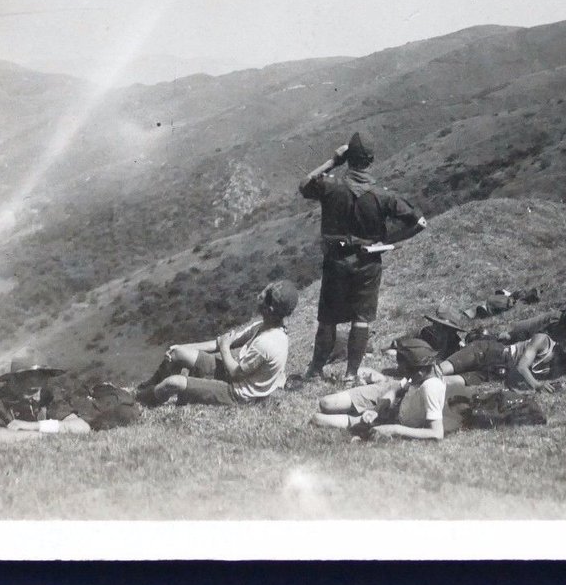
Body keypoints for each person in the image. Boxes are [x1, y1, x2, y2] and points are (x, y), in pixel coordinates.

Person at [298, 131, 427, 383]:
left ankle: (315, 371)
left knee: (327, 319)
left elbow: (304, 185)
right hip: (368, 262)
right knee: (361, 319)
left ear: (348, 158)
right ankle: (351, 374)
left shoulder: (330, 186)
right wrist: (388, 241)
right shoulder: (383, 195)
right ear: (371, 160)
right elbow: (419, 222)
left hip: (336, 262)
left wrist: (333, 161)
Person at [137, 280, 298, 407]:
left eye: (265, 295)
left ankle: (142, 401)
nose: (260, 295)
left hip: (238, 393)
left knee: (174, 382)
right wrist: (182, 348)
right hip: (234, 377)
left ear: (269, 310)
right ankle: (151, 387)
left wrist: (224, 347)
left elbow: (235, 371)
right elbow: (221, 342)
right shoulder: (264, 326)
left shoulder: (267, 343)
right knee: (177, 354)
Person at [0, 352, 139, 444]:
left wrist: (31, 426)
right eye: (25, 380)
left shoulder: (47, 397)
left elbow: (81, 428)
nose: (33, 387)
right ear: (11, 382)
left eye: (39, 380)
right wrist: (52, 434)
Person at [311, 337, 450, 440]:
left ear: (419, 372)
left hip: (398, 421)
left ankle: (357, 422)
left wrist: (395, 429)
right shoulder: (425, 372)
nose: (405, 376)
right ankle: (361, 418)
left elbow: (437, 434)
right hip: (393, 410)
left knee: (318, 419)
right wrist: (377, 410)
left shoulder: (430, 387)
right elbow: (396, 389)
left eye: (406, 372)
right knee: (324, 408)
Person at [436, 319, 566, 392]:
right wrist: (537, 385)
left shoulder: (564, 363)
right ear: (563, 340)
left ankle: (415, 388)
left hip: (497, 372)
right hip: (489, 352)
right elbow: (522, 367)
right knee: (438, 371)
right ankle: (415, 377)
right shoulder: (543, 341)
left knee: (444, 382)